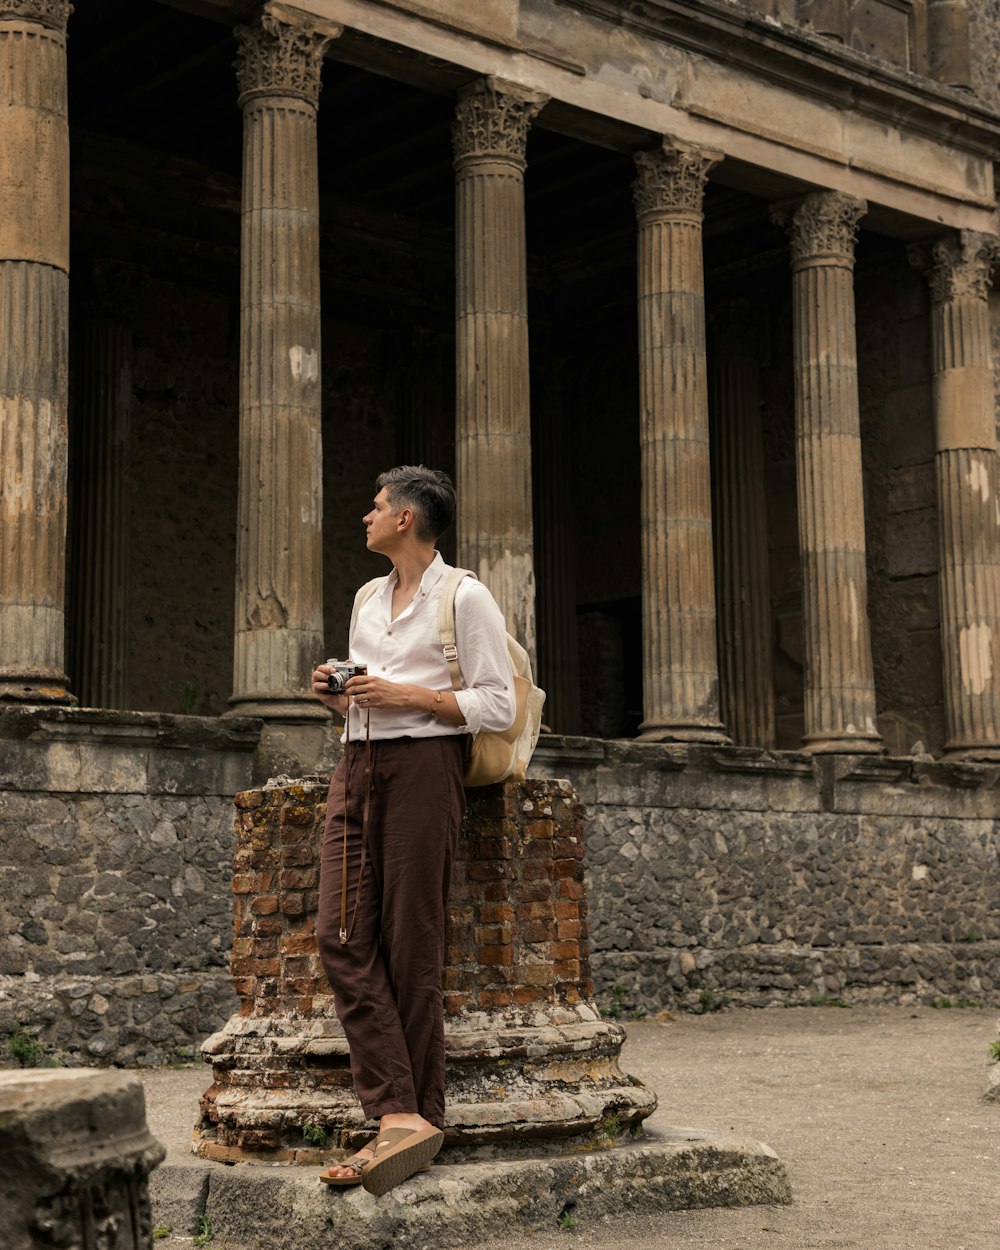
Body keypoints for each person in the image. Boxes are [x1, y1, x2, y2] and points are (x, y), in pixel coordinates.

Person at [311, 465, 516, 1197]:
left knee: (410, 939)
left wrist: (406, 695)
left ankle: (410, 1115)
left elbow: (499, 705)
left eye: (374, 506)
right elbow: (370, 697)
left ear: (405, 519)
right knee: (339, 935)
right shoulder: (368, 596)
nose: (364, 516)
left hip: (427, 768)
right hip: (357, 761)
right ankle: (403, 1112)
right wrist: (341, 695)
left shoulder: (466, 595)